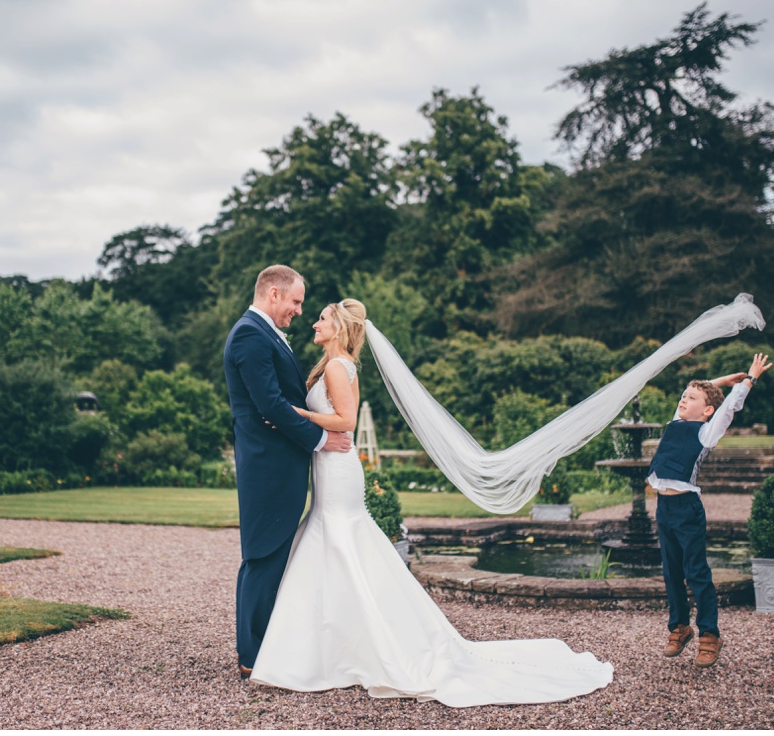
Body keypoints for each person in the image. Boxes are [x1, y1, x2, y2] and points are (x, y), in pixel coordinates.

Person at [248, 299, 614, 707]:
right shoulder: (330, 364)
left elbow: (347, 422)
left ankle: (340, 648)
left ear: (340, 328)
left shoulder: (337, 367)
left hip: (337, 465)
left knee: (337, 537)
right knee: (337, 540)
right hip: (331, 463)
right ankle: (332, 644)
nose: (314, 322)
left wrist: (300, 413)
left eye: (322, 318)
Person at [222, 265, 352, 681]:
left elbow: (281, 403)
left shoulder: (264, 334)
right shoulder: (249, 334)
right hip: (268, 469)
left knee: (272, 556)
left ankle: (264, 647)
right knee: (262, 556)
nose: (299, 310)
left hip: (280, 467)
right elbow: (271, 406)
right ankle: (252, 656)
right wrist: (320, 440)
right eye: (295, 301)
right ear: (273, 294)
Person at [649, 353, 772, 669]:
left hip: (687, 510)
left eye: (690, 398)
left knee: (697, 574)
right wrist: (716, 382)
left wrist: (749, 379)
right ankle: (679, 627)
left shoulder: (706, 431)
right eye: (683, 397)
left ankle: (709, 635)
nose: (682, 400)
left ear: (706, 411)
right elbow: (698, 396)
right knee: (671, 573)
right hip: (664, 509)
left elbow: (727, 407)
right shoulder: (675, 422)